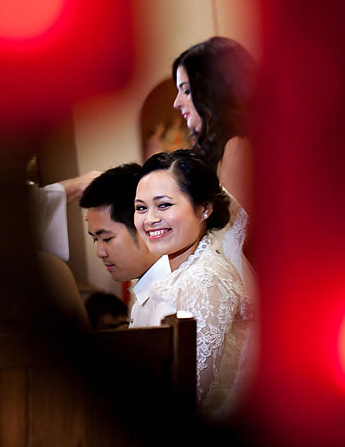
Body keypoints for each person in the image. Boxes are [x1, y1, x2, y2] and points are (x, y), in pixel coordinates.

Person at [133, 150, 253, 417]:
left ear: (204, 209)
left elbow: (189, 397)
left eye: (163, 205)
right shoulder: (180, 271)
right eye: (141, 207)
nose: (149, 219)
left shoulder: (205, 279)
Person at [172, 37, 257, 297]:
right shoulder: (219, 148)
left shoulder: (237, 146)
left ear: (214, 91)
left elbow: (240, 238)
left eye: (186, 90)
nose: (177, 102)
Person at [79, 163, 163, 327]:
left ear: (144, 225)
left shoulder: (178, 294)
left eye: (107, 238)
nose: (100, 253)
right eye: (96, 239)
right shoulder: (140, 283)